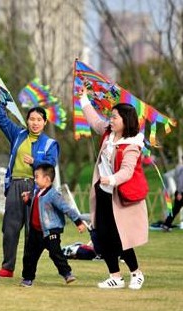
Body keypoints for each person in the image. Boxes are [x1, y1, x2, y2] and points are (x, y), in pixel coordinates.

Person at [79, 89, 148, 290]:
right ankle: (115, 277)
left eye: (115, 117)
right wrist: (83, 98)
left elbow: (127, 171)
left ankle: (136, 273)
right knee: (102, 236)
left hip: (120, 196)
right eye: (111, 116)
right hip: (103, 193)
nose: (111, 119)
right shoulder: (108, 133)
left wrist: (110, 179)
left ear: (126, 120)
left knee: (121, 237)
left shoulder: (132, 145)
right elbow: (93, 120)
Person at [0, 83, 60, 278]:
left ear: (45, 122)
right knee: (10, 228)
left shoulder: (50, 143)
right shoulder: (18, 135)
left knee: (33, 232)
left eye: (39, 119)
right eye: (32, 119)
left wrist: (35, 162)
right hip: (15, 185)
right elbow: (2, 120)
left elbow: (51, 166)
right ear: (27, 121)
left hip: (36, 188)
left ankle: (28, 270)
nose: (35, 122)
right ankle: (7, 268)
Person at [19, 163, 86, 287]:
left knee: (56, 253)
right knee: (29, 256)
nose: (35, 179)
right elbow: (37, 206)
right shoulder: (37, 192)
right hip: (35, 232)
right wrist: (28, 200)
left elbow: (66, 209)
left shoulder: (54, 195)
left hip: (50, 231)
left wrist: (78, 222)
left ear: (47, 179)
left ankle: (67, 273)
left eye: (37, 177)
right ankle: (28, 278)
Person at [161, 158, 183, 231]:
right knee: (175, 209)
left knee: (175, 209)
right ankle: (166, 224)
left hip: (179, 191)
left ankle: (166, 224)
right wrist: (179, 192)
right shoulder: (181, 168)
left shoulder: (178, 167)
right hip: (181, 192)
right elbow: (180, 181)